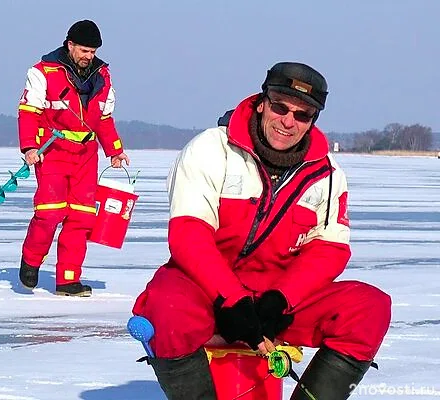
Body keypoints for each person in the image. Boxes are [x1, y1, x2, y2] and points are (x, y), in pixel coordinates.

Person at [132, 62, 391, 399]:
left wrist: (281, 299)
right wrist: (231, 299)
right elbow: (189, 235)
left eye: (303, 115)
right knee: (166, 307)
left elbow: (329, 250)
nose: (288, 121)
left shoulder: (328, 175)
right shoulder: (212, 149)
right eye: (280, 107)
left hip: (276, 300)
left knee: (369, 308)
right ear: (261, 102)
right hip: (204, 288)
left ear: (313, 121)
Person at [17, 19, 130, 297]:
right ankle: (31, 260)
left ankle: (67, 279)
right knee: (50, 212)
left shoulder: (102, 76)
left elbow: (103, 118)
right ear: (70, 45)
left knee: (81, 218)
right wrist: (29, 147)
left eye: (92, 52)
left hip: (85, 156)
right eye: (83, 51)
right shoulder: (42, 72)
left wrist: (114, 150)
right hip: (52, 152)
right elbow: (29, 112)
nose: (88, 57)